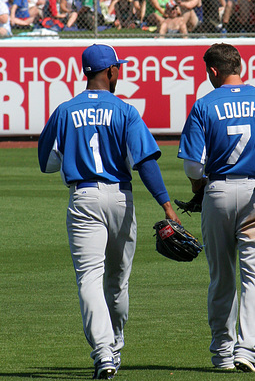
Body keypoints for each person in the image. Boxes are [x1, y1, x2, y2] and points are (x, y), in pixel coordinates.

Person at [38, 43, 180, 380]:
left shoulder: (64, 110)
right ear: (110, 72)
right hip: (120, 198)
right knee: (117, 282)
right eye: (119, 67)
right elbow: (144, 162)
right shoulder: (125, 110)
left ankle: (103, 354)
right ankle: (114, 347)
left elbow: (46, 162)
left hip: (84, 197)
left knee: (89, 278)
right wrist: (166, 204)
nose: (120, 71)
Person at [177, 43, 255, 373]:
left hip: (217, 191)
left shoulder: (204, 105)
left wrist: (198, 187)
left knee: (221, 277)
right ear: (238, 66)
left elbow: (192, 164)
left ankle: (222, 354)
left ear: (213, 71)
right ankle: (248, 350)